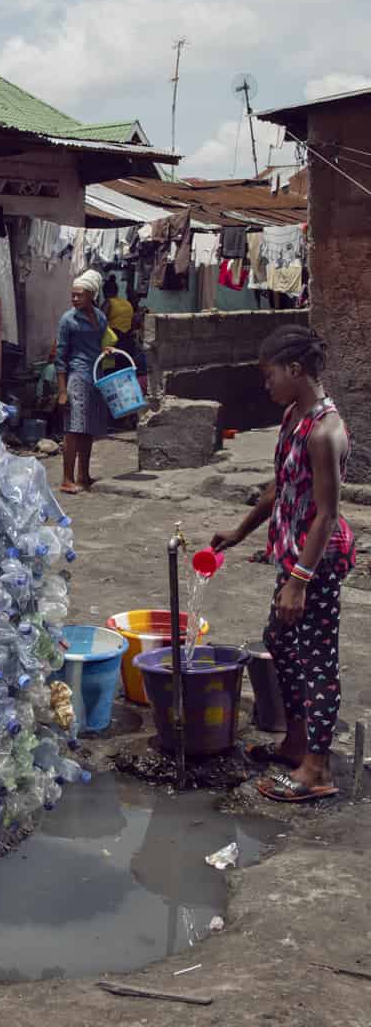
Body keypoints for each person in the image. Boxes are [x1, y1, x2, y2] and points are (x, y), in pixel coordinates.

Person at [211, 326, 355, 803]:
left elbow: (328, 514)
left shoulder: (325, 432)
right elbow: (281, 487)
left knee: (317, 662)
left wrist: (300, 581)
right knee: (278, 640)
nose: (265, 384)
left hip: (318, 562)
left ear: (295, 370)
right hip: (294, 555)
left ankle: (317, 768)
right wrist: (240, 531)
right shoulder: (295, 416)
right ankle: (297, 741)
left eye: (269, 374)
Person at [55, 270, 110, 493]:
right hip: (76, 377)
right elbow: (60, 355)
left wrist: (106, 350)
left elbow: (101, 343)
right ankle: (67, 479)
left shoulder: (101, 317)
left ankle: (83, 475)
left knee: (88, 429)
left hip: (96, 377)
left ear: (91, 295)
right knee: (73, 429)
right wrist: (62, 391)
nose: (75, 298)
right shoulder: (68, 319)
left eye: (79, 295)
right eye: (73, 295)